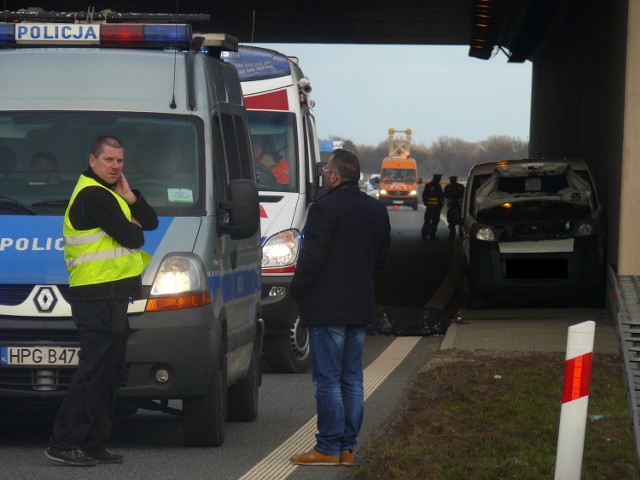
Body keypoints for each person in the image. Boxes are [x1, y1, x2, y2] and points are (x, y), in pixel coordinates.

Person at [45, 136, 158, 467]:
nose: (115, 166)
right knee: (94, 371)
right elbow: (135, 236)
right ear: (92, 161)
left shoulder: (112, 194)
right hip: (95, 295)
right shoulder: (92, 195)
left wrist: (130, 197)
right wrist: (131, 225)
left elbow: (148, 222)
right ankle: (63, 442)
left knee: (109, 372)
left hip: (112, 295)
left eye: (120, 161)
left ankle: (94, 442)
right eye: (109, 160)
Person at [289, 148, 391, 467]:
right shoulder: (376, 209)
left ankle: (328, 447)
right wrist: (363, 284)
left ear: (332, 176)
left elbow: (311, 259)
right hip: (359, 305)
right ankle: (347, 447)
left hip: (326, 306)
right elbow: (381, 258)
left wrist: (297, 291)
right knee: (352, 378)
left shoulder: (324, 209)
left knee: (328, 379)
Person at [421, 173, 444, 240]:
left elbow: (424, 196)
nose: (440, 180)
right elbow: (441, 197)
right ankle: (429, 235)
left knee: (431, 222)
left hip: (432, 208)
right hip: (433, 208)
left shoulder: (431, 185)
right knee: (432, 222)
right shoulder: (434, 186)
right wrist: (440, 206)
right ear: (436, 179)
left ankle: (427, 235)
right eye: (439, 179)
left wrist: (426, 204)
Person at [444, 175, 465, 240]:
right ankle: (459, 236)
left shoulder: (448, 187)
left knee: (454, 222)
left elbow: (445, 195)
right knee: (456, 222)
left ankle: (454, 236)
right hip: (456, 207)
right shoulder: (460, 187)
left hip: (457, 207)